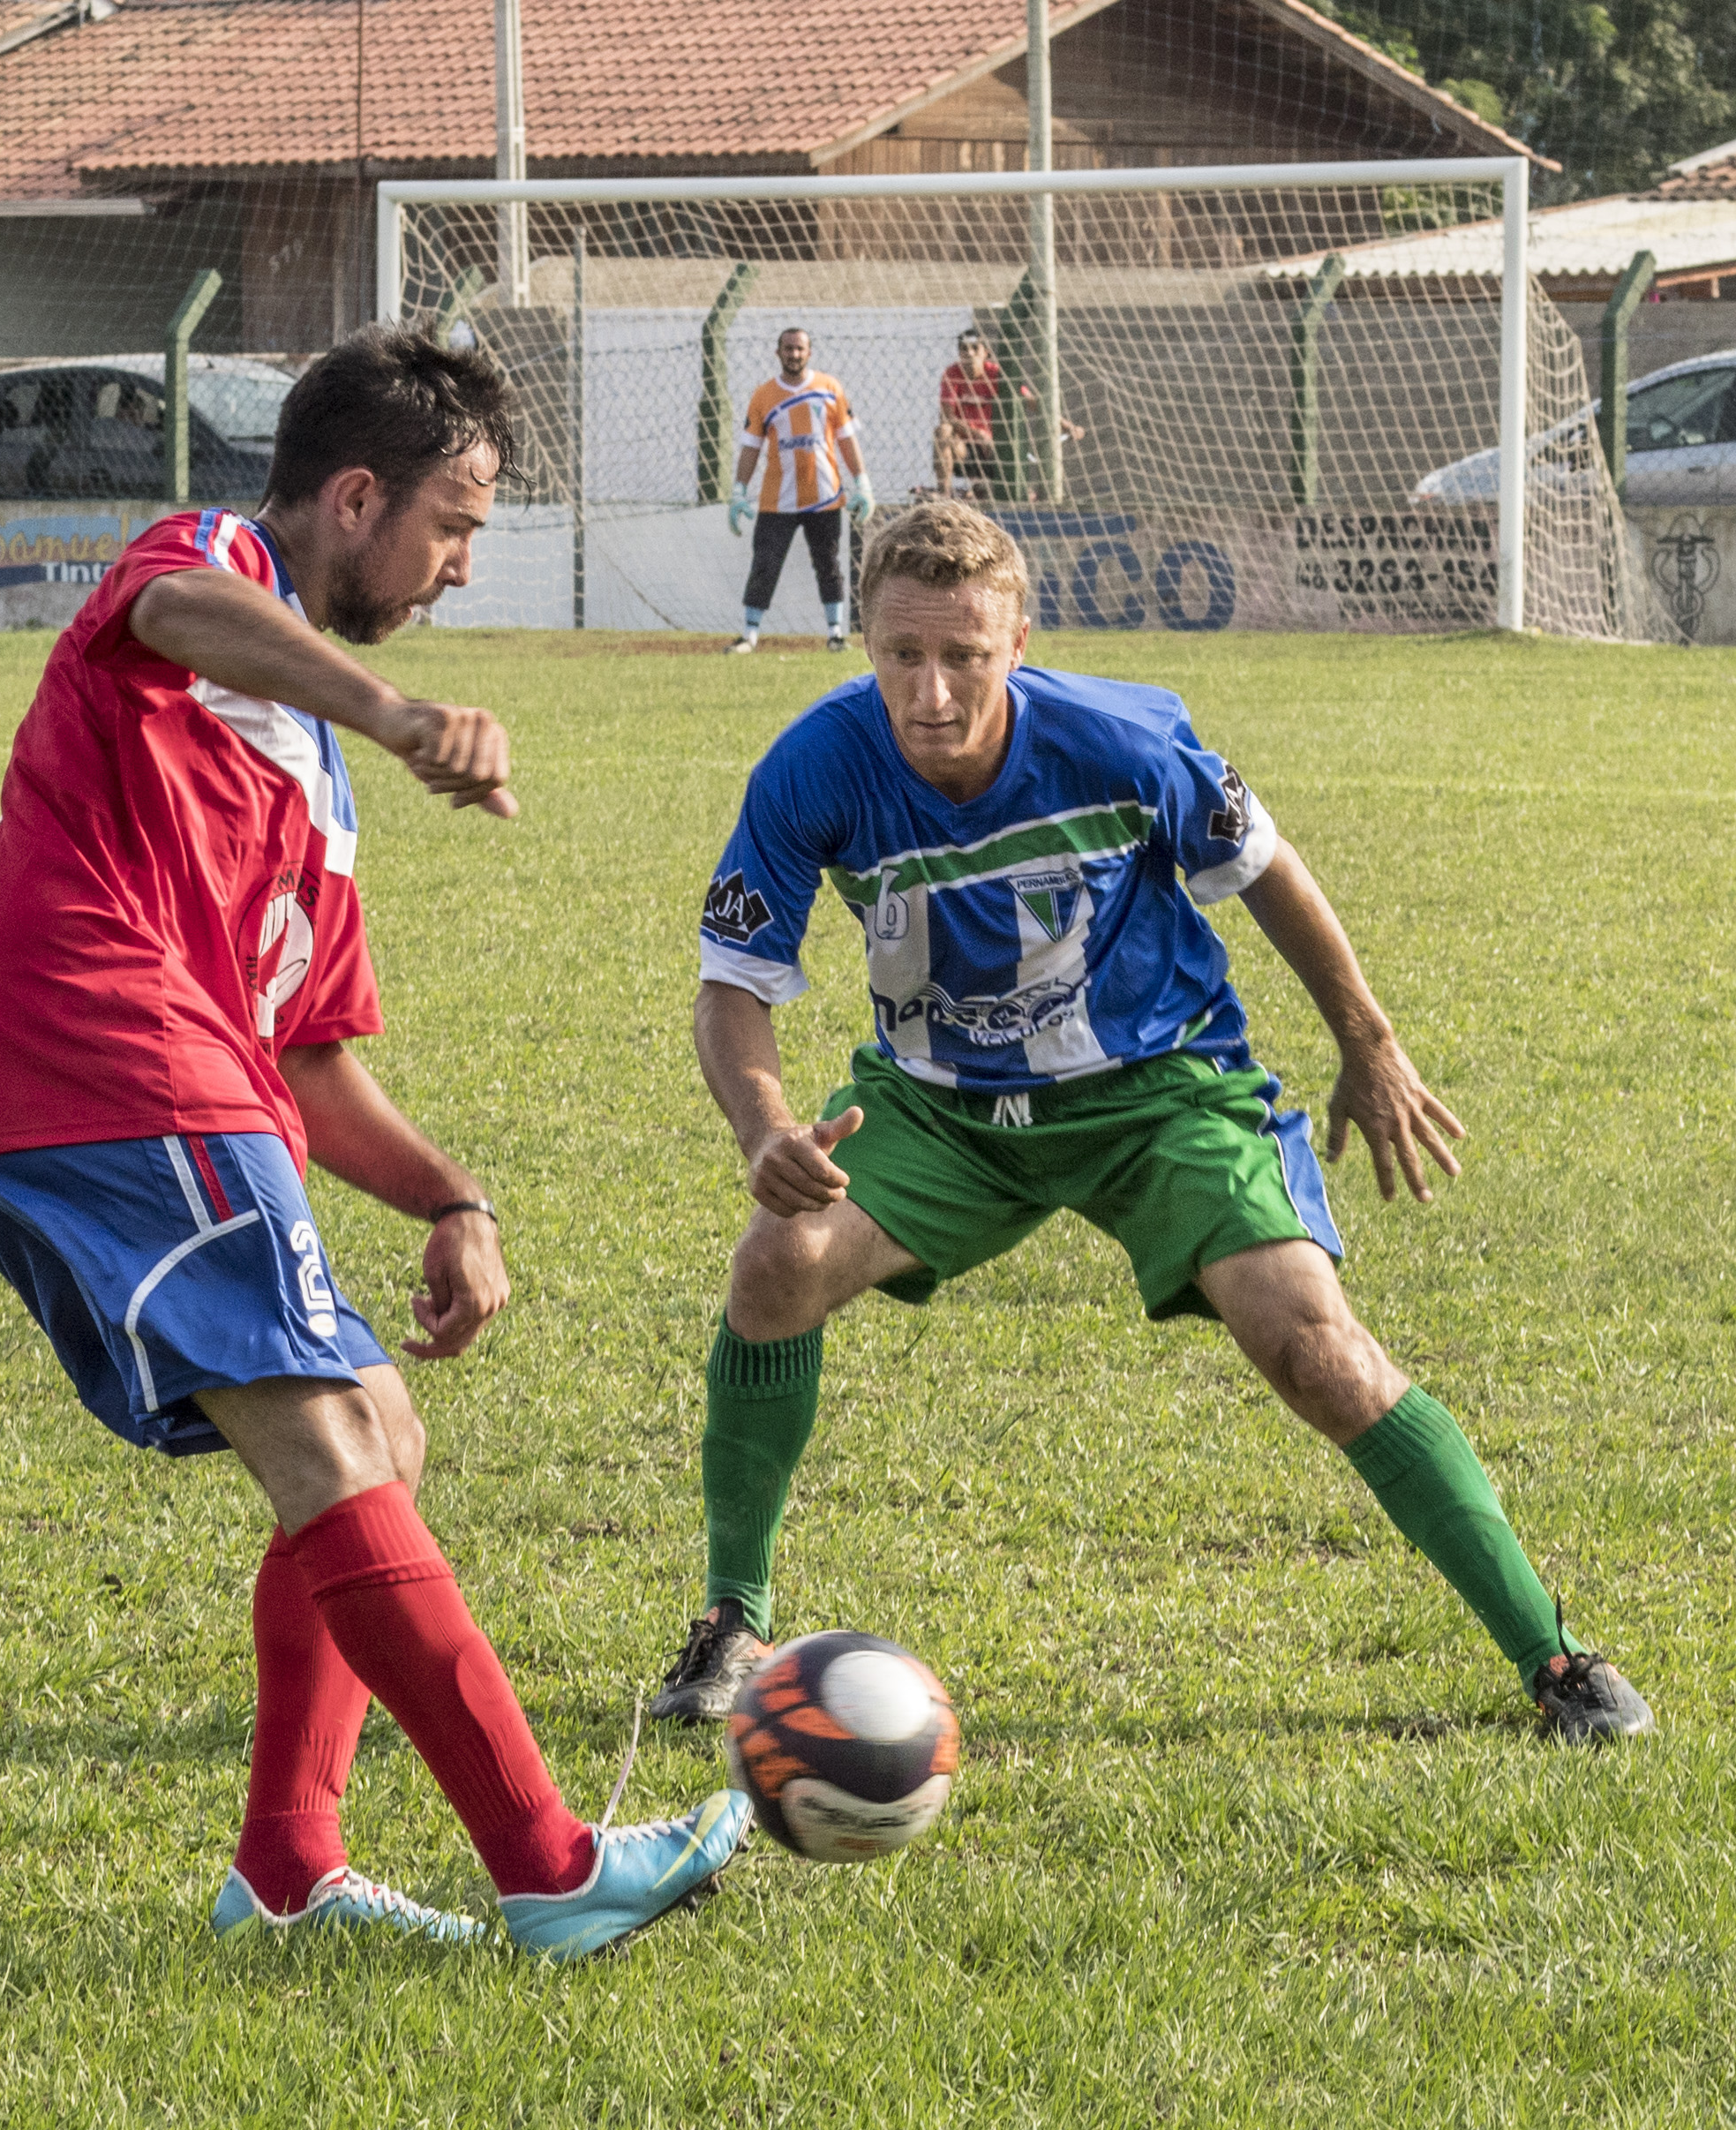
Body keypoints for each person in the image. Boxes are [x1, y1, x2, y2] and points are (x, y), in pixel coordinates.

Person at [0, 324, 749, 1961]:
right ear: (352, 498)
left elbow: (309, 1066)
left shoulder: (316, 793)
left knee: (375, 1429)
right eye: (452, 524)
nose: (456, 568)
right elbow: (166, 607)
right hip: (103, 1060)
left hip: (163, 1089)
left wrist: (451, 1196)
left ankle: (287, 1869)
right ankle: (550, 1865)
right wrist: (392, 707)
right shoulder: (216, 565)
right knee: (332, 1448)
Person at [649, 499, 1654, 1746]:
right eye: (901, 655)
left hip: (1160, 1092)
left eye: (963, 655)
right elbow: (731, 988)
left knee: (1314, 1350)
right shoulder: (811, 767)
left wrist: (1367, 1042)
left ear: (1015, 639)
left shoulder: (1122, 741)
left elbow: (1269, 869)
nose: (931, 690)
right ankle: (730, 1622)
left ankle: (1554, 1662)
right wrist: (763, 1130)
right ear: (863, 642)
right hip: (944, 1108)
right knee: (773, 1262)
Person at [725, 327, 871, 655]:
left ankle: (835, 634)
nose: (794, 354)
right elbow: (751, 447)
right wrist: (738, 490)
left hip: (825, 497)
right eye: (788, 348)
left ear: (809, 352)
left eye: (799, 349)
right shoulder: (764, 395)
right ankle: (749, 635)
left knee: (829, 564)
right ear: (777, 352)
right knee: (764, 564)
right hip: (778, 500)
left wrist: (862, 482)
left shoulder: (830, 388)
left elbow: (847, 439)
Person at [929, 327, 1079, 498]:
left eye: (975, 348)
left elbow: (1032, 402)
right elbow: (948, 417)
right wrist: (977, 435)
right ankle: (944, 493)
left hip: (995, 446)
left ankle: (1017, 491)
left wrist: (1067, 425)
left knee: (1013, 443)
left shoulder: (996, 374)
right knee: (943, 431)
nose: (969, 354)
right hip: (964, 447)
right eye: (964, 349)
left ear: (985, 352)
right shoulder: (952, 374)